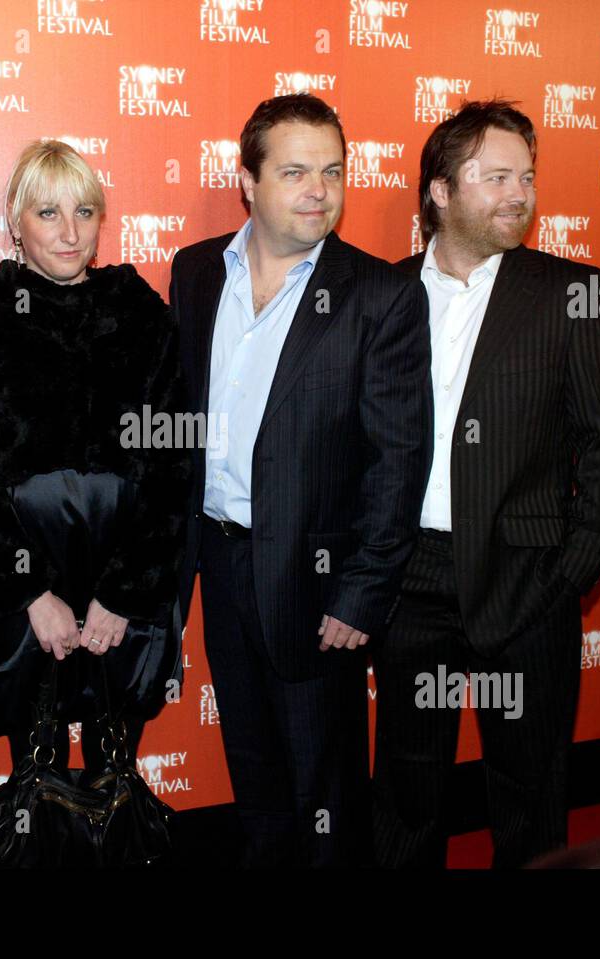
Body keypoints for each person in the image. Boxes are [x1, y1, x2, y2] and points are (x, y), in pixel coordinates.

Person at [372, 99, 600, 869]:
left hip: (528, 583)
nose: (518, 193)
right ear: (441, 190)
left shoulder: (571, 292)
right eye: (496, 177)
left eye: (526, 176)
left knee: (529, 794)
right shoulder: (383, 294)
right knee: (406, 790)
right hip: (408, 580)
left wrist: (572, 571)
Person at [170, 93, 432, 866]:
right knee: (254, 774)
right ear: (246, 180)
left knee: (327, 791)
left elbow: (398, 461)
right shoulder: (195, 273)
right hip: (219, 562)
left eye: (333, 171)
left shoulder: (379, 295)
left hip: (319, 584)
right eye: (294, 171)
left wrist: (363, 591)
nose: (320, 189)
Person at [0, 139, 189, 775]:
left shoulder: (141, 315)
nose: (71, 232)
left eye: (84, 210)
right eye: (48, 213)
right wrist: (29, 593)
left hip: (123, 578)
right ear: (15, 225)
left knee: (117, 774)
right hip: (25, 583)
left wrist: (124, 592)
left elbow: (172, 464)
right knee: (36, 776)